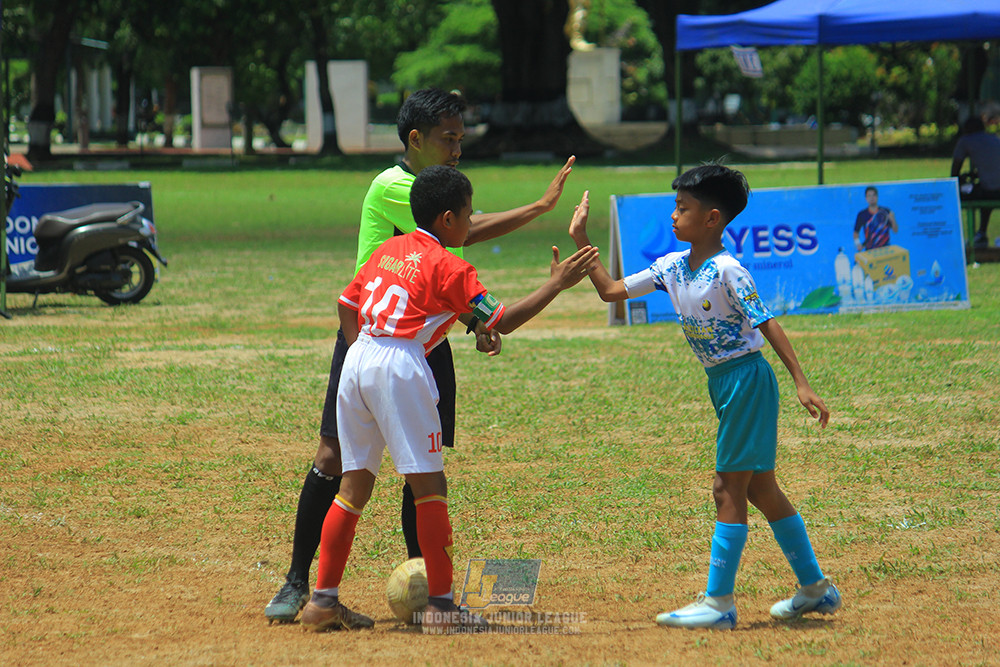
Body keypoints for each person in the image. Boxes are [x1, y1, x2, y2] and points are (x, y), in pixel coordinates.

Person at [265, 88, 578, 622]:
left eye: (460, 138)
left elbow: (356, 295)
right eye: (447, 138)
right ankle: (433, 602)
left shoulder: (399, 244)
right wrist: (553, 278)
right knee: (422, 481)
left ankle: (327, 598)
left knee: (359, 482)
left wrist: (438, 326)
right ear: (415, 140)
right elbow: (470, 268)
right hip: (398, 355)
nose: (457, 147)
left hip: (376, 344)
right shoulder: (397, 189)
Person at [568, 163, 840, 630]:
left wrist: (801, 380)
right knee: (760, 488)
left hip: (747, 380)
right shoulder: (672, 266)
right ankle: (816, 589)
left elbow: (766, 321)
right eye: (675, 206)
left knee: (726, 488)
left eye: (683, 208)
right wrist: (581, 239)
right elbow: (612, 291)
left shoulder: (729, 270)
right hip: (723, 383)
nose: (674, 215)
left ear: (712, 218)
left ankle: (719, 604)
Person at [951, 115, 1000, 248]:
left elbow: (954, 171)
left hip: (990, 190)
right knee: (984, 191)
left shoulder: (966, 140)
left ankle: (970, 236)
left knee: (958, 195)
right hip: (994, 188)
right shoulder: (994, 138)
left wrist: (959, 180)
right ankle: (981, 233)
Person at [853, 185, 898, 252]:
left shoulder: (886, 211)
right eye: (869, 196)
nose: (872, 198)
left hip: (886, 250)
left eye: (874, 195)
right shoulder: (861, 215)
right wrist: (858, 244)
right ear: (866, 198)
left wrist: (893, 219)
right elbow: (856, 232)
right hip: (870, 251)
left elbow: (895, 230)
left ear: (877, 197)